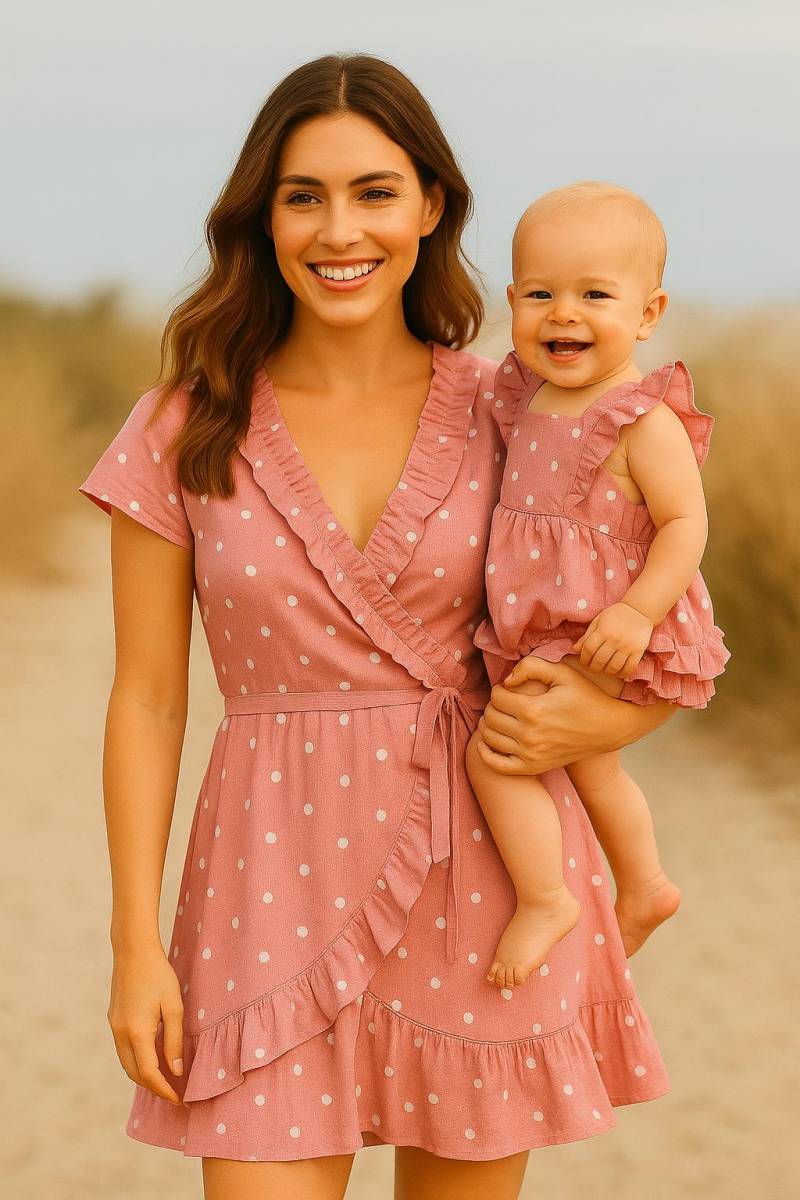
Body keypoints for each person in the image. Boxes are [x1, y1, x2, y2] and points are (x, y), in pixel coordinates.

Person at [78, 56, 676, 1200]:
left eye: (373, 192)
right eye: (302, 195)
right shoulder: (182, 425)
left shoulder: (520, 411)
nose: (337, 229)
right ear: (262, 214)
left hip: (490, 883)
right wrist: (134, 945)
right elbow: (147, 698)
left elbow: (651, 630)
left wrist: (601, 722)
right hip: (263, 890)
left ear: (430, 206)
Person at [468, 183, 730, 993]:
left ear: (648, 313)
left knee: (498, 757)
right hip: (549, 627)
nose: (563, 315)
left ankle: (547, 899)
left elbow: (686, 523)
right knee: (591, 766)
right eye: (540, 294)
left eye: (594, 295)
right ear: (511, 300)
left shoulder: (638, 417)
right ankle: (644, 885)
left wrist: (637, 612)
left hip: (604, 626)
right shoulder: (525, 395)